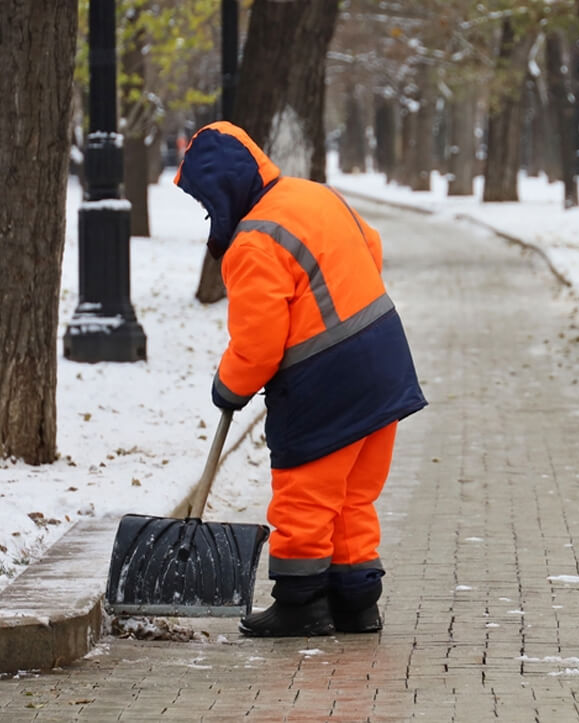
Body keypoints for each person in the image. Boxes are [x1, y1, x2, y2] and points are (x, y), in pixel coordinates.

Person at [174, 121, 427, 637]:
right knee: (354, 495)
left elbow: (259, 342)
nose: (207, 213)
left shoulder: (252, 242)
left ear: (221, 191)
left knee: (305, 495)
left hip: (325, 381)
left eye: (206, 201)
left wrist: (230, 385)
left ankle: (300, 603)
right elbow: (370, 246)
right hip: (383, 357)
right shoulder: (314, 195)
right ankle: (356, 603)